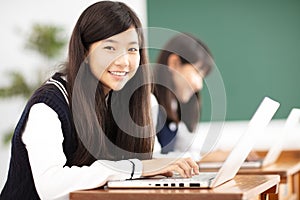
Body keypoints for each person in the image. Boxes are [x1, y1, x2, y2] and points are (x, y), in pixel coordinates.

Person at [0, 2, 199, 200]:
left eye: (132, 49)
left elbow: (144, 159)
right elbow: (50, 185)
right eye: (110, 48)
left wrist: (168, 164)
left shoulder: (122, 97)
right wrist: (135, 168)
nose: (124, 61)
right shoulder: (48, 106)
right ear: (85, 51)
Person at [153, 33, 214, 154]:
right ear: (174, 63)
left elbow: (189, 150)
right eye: (197, 72)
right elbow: (150, 161)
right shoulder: (149, 103)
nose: (199, 85)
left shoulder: (174, 106)